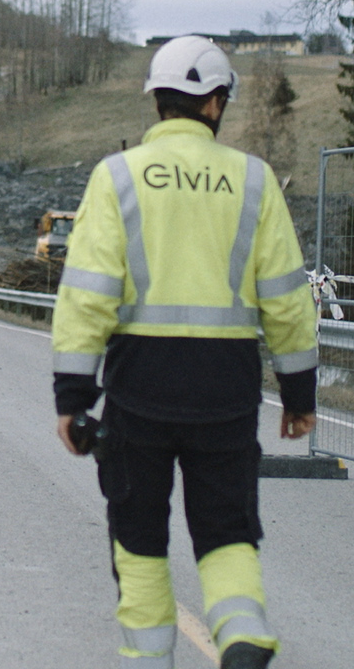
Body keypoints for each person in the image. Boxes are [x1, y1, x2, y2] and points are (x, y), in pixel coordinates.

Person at [51, 36, 320, 669]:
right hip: (225, 389)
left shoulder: (117, 177)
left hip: (139, 388)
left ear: (157, 101)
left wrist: (72, 398)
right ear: (216, 103)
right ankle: (244, 634)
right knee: (227, 533)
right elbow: (286, 297)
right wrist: (299, 396)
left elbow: (86, 295)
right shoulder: (253, 181)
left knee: (140, 537)